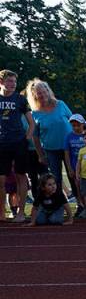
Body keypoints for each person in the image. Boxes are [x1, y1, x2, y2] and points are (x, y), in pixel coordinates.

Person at [0, 69, 36, 223]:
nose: (13, 84)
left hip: (18, 143)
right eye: (9, 81)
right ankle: (2, 213)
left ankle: (21, 213)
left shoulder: (20, 99)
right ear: (1, 82)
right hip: (2, 144)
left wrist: (26, 139)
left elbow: (31, 123)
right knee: (1, 179)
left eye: (14, 81)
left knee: (21, 176)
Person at [27, 79, 74, 197]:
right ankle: (59, 203)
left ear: (48, 91)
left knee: (72, 175)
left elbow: (74, 122)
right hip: (51, 150)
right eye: (39, 93)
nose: (43, 95)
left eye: (44, 91)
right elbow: (35, 137)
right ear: (34, 96)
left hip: (69, 148)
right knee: (55, 179)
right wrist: (40, 155)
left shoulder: (61, 104)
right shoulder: (34, 113)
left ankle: (81, 203)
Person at [63, 114, 86, 215]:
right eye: (73, 125)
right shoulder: (69, 136)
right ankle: (81, 205)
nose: (76, 127)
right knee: (78, 188)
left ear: (83, 124)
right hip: (74, 167)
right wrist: (69, 168)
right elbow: (66, 153)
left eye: (78, 125)